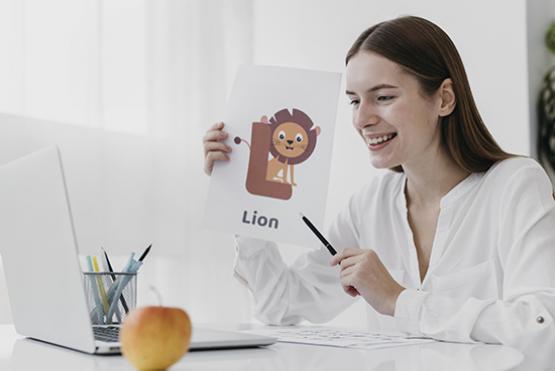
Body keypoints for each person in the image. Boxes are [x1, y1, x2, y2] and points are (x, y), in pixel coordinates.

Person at [202, 16, 555, 353]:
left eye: (384, 97)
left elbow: (542, 328)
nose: (362, 119)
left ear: (444, 98)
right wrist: (244, 192)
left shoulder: (515, 184)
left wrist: (398, 300)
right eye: (355, 100)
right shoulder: (371, 204)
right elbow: (281, 306)